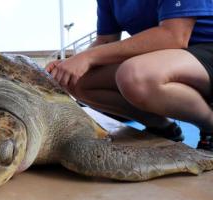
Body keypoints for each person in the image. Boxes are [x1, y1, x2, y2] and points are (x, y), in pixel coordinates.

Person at [46, 0, 213, 151]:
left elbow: (174, 36)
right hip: (167, 58)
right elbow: (105, 41)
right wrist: (71, 64)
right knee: (76, 81)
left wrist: (88, 57)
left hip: (205, 48)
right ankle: (162, 128)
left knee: (135, 75)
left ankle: (209, 125)